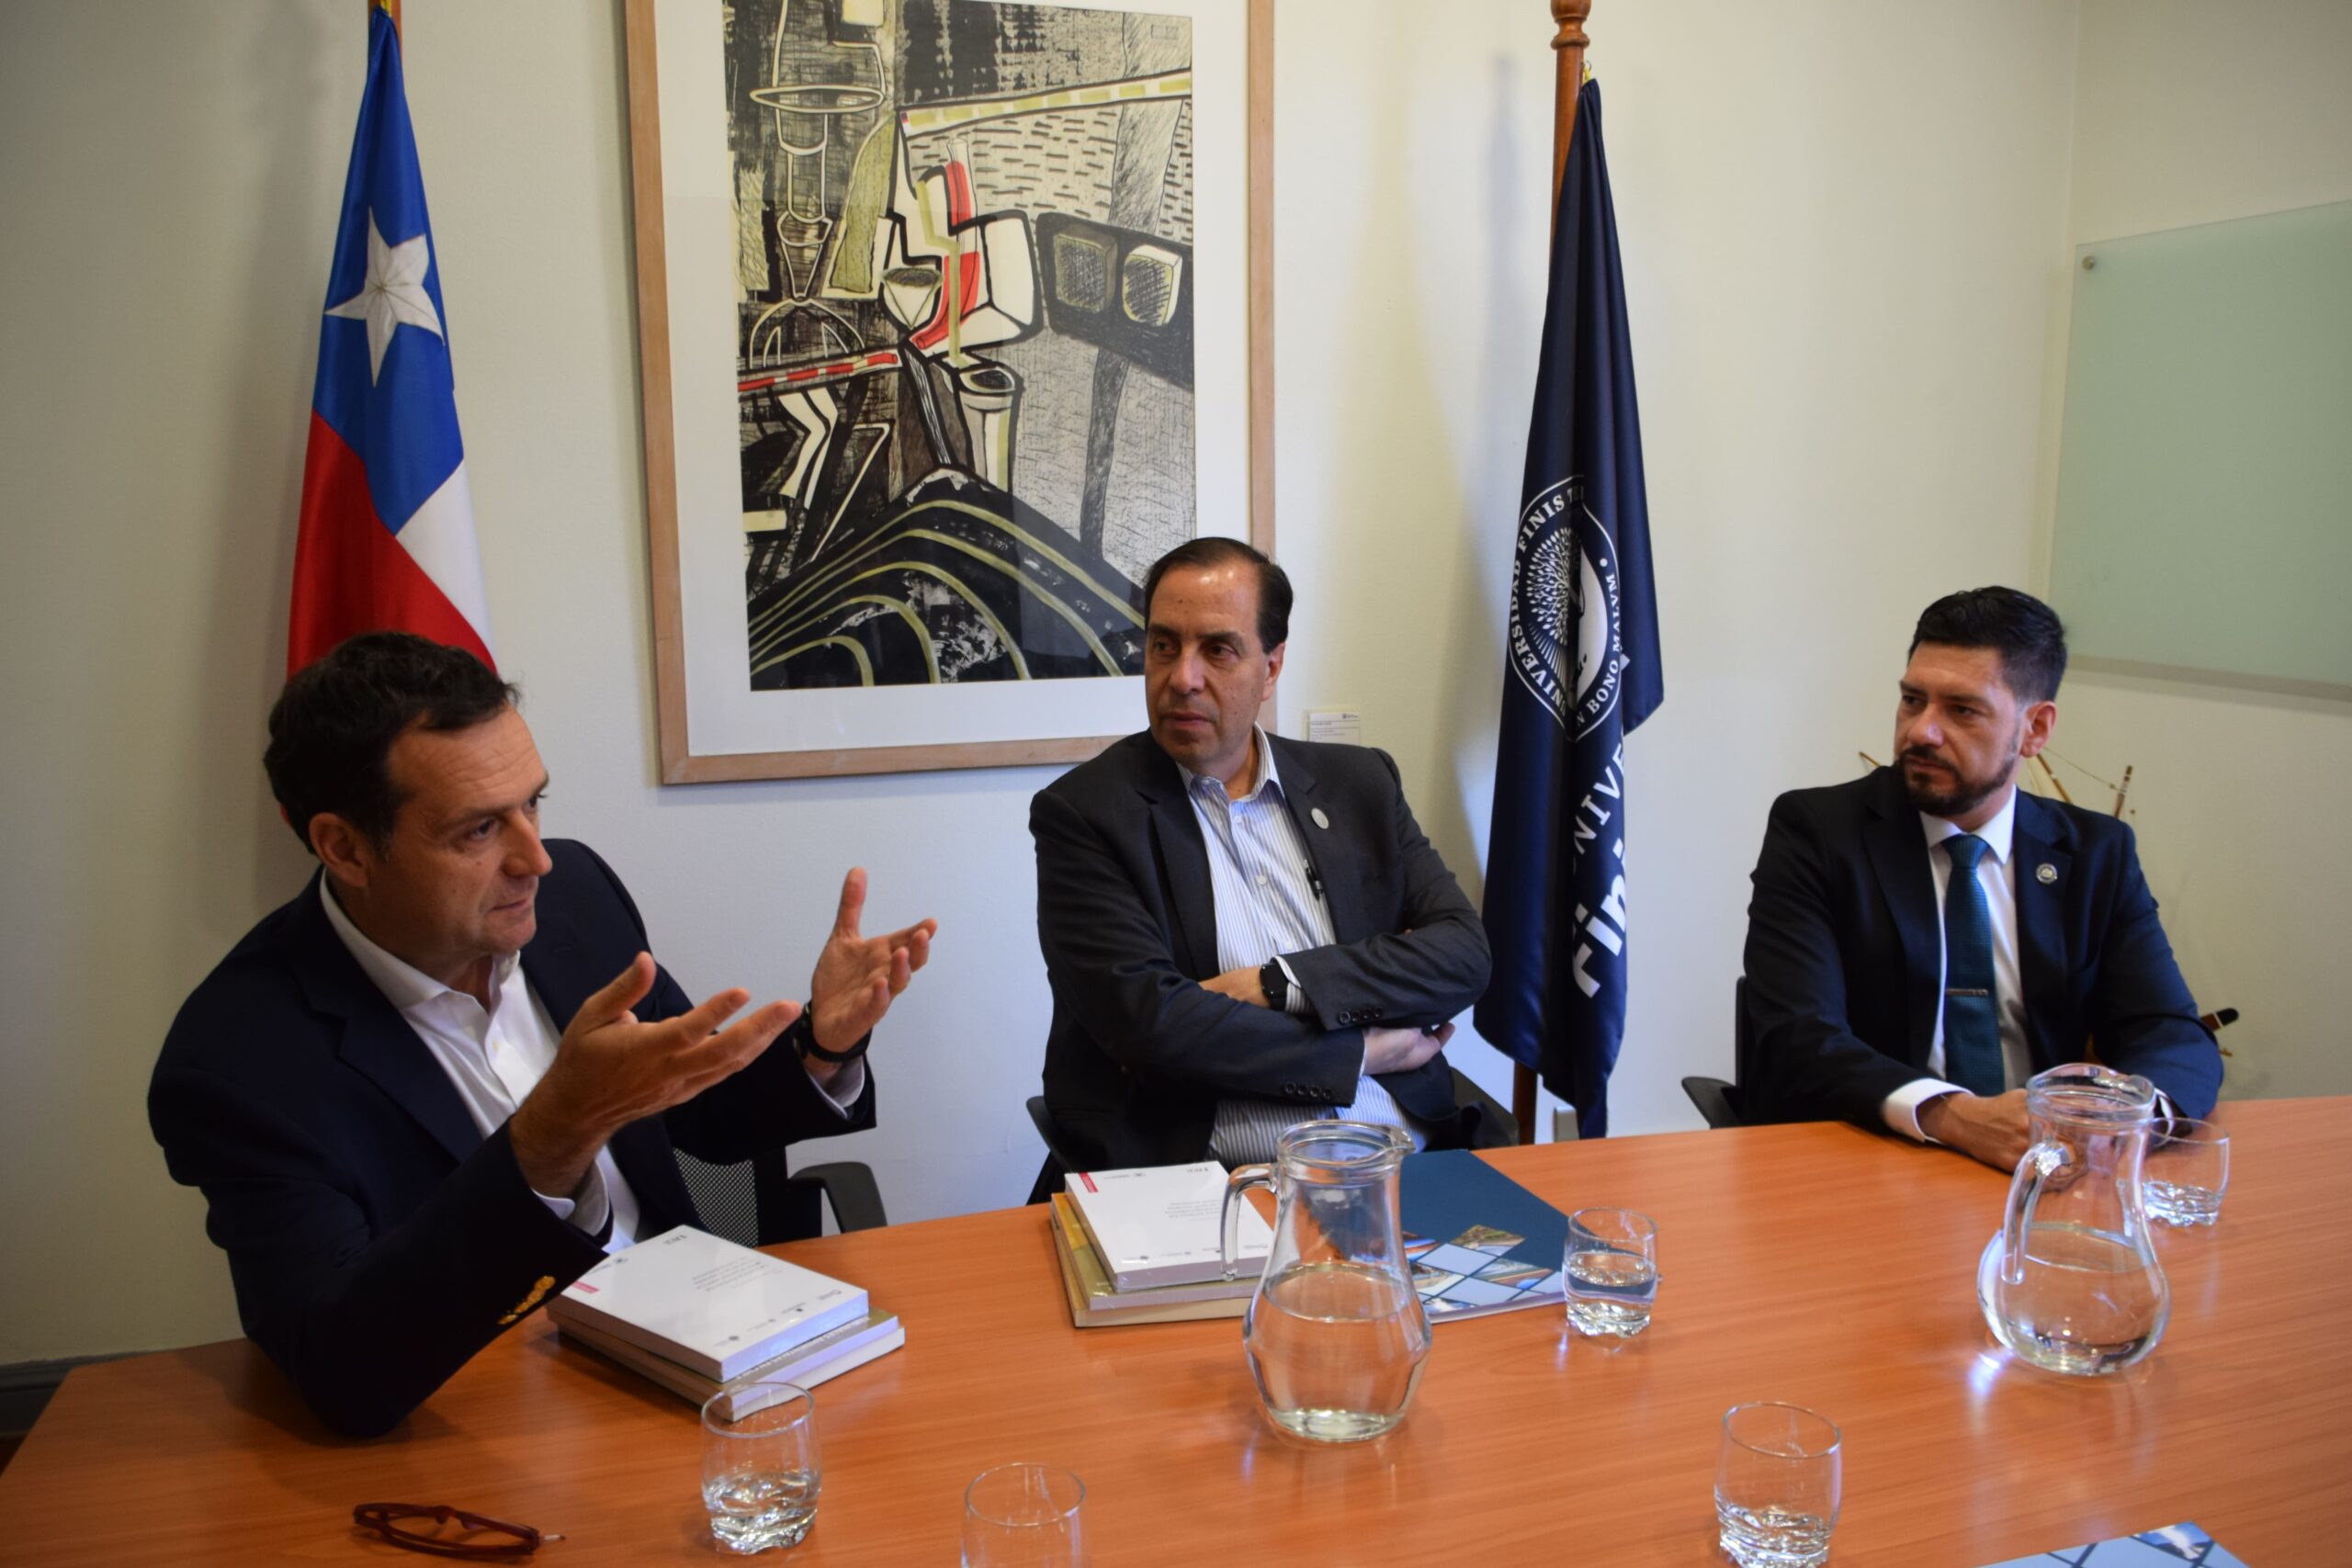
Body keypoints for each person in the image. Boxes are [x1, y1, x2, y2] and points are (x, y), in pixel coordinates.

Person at [149, 633, 935, 1437]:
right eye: (479, 831)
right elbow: (341, 1365)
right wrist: (554, 1137)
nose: (536, 859)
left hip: (696, 1360)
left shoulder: (575, 896)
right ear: (345, 847)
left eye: (533, 804)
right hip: (486, 1409)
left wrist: (821, 1047)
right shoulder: (237, 1064)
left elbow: (699, 1114)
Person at [1031, 539, 1497, 1175]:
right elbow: (1154, 1027)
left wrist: (1276, 985)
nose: (1182, 678)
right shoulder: (1086, 814)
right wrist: (1361, 1050)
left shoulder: (1359, 784)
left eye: (1217, 649)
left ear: (1271, 667)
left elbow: (1462, 955)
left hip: (1409, 1167)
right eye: (1164, 645)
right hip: (1216, 1184)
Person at [1741, 587, 2220, 1168]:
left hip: (2045, 1168)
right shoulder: (1819, 831)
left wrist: (2122, 1125)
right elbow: (1798, 1037)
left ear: (2035, 729)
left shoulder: (2096, 852)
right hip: (1876, 1155)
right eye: (1913, 700)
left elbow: (2169, 1031)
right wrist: (1954, 1117)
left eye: (1962, 710)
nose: (1922, 732)